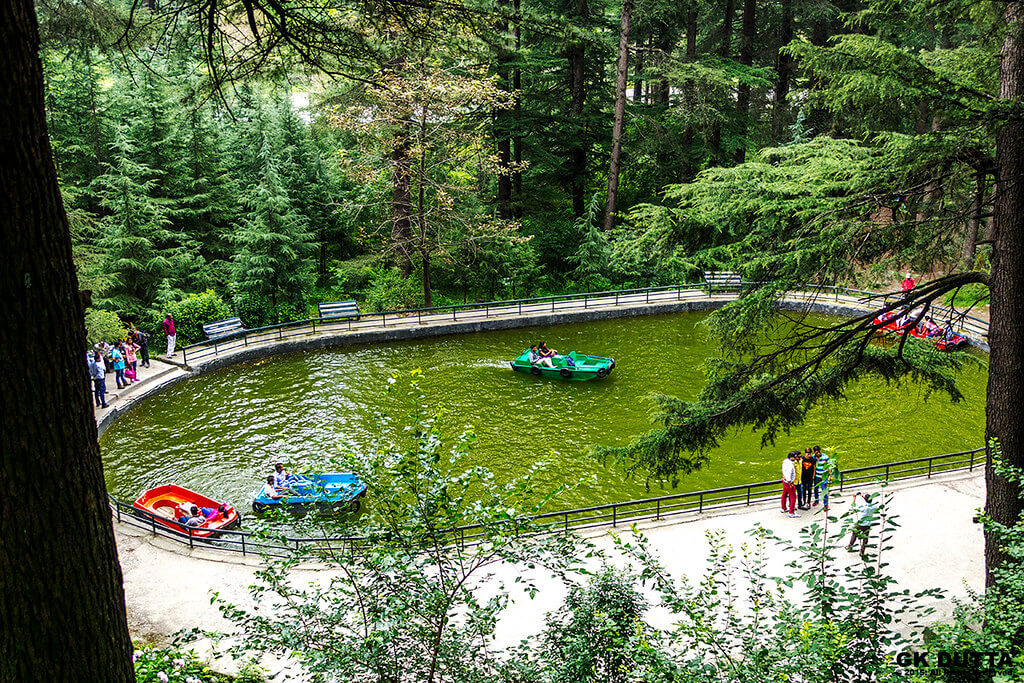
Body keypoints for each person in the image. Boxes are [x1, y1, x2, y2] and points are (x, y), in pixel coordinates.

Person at [846, 492, 878, 557]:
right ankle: (862, 552)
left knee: (854, 534)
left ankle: (850, 546)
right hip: (868, 525)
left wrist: (854, 498)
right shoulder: (874, 506)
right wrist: (863, 497)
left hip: (860, 524)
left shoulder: (863, 507)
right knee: (865, 539)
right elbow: (869, 503)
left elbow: (853, 507)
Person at [781, 451, 799, 518]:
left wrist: (784, 477)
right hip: (789, 482)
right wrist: (790, 483)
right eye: (795, 457)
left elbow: (783, 470)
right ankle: (791, 512)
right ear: (791, 457)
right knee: (793, 497)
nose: (796, 458)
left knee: (784, 495)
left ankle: (783, 507)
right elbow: (789, 474)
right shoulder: (790, 465)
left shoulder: (785, 461)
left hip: (784, 481)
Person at [814, 445, 831, 510]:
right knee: (816, 489)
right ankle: (816, 500)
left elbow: (829, 466)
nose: (818, 454)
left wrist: (830, 475)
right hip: (816, 476)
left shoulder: (825, 457)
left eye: (818, 452)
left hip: (824, 476)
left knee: (824, 490)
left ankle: (826, 504)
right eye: (816, 453)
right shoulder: (813, 457)